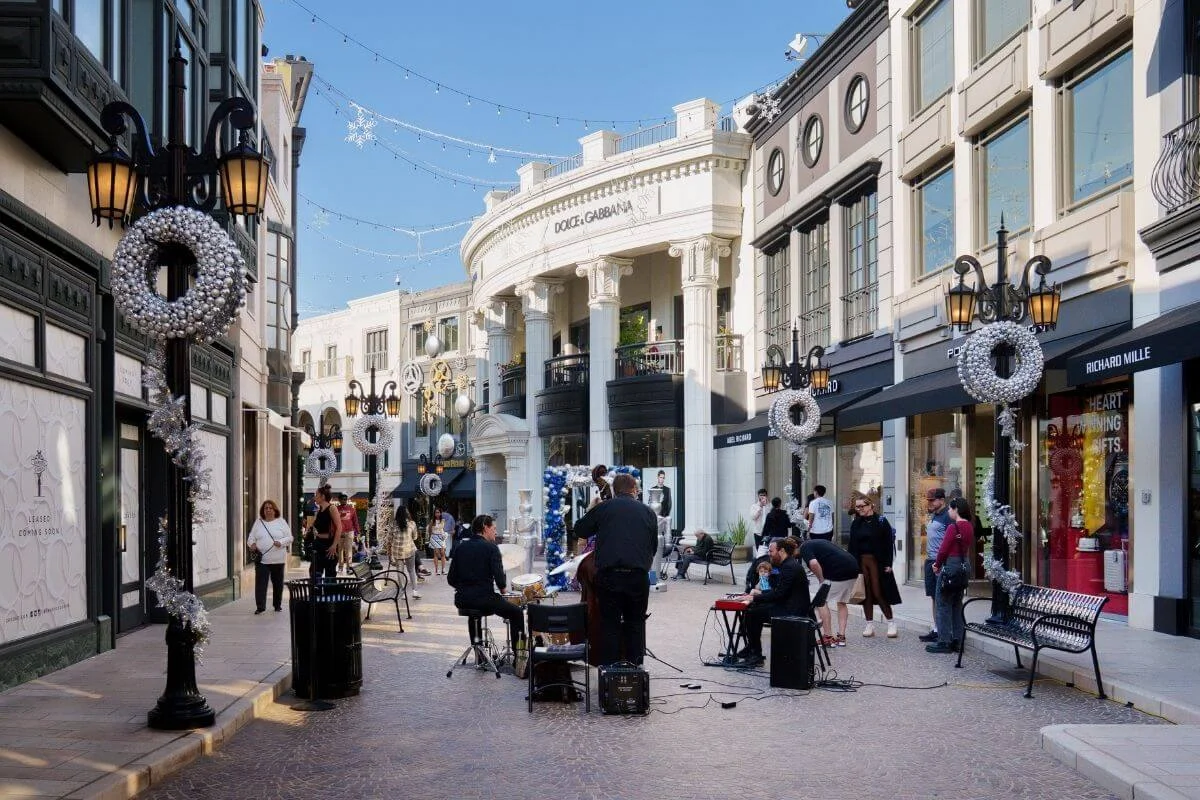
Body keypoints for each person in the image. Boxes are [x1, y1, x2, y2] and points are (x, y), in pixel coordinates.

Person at [573, 473, 657, 665]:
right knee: (635, 624)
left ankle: (609, 676)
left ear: (614, 490)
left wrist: (593, 510)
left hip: (609, 577)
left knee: (609, 625)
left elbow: (580, 530)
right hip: (637, 577)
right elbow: (652, 547)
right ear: (634, 489)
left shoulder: (604, 508)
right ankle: (635, 672)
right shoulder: (648, 512)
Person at [447, 515, 525, 652]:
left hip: (462, 600)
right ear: (485, 527)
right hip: (484, 599)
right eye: (494, 528)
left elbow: (451, 579)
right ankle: (519, 656)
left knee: (474, 615)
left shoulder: (460, 547)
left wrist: (465, 588)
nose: (496, 532)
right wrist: (503, 589)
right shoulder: (491, 548)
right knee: (516, 613)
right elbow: (500, 580)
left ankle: (479, 654)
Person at [734, 537, 812, 666]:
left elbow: (779, 594)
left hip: (791, 610)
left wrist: (754, 597)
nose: (769, 554)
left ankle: (755, 654)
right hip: (788, 605)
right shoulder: (787, 564)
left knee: (752, 614)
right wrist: (757, 594)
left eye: (771, 551)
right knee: (753, 609)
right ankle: (752, 648)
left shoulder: (789, 567)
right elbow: (777, 591)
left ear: (781, 551)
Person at [847, 495, 900, 638]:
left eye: (862, 506)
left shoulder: (881, 521)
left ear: (871, 505)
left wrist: (889, 563)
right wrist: (852, 565)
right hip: (861, 562)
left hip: (878, 562)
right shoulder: (856, 523)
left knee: (879, 591)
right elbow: (852, 545)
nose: (859, 509)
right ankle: (869, 624)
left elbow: (889, 544)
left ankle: (891, 622)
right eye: (857, 507)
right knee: (866, 593)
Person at [927, 497, 975, 654]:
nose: (948, 511)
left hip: (951, 566)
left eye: (950, 509)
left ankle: (944, 641)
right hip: (964, 565)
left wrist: (937, 565)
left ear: (956, 510)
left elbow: (943, 550)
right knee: (957, 603)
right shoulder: (969, 526)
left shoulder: (953, 528)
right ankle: (958, 640)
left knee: (942, 603)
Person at [798, 539, 860, 648]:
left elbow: (813, 563)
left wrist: (821, 579)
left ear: (795, 546)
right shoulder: (816, 542)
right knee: (842, 602)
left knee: (821, 602)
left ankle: (827, 637)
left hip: (838, 570)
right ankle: (841, 638)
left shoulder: (804, 547)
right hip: (853, 566)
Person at [247, 500, 293, 614]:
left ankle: (277, 605)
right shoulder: (258, 522)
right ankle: (260, 607)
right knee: (260, 585)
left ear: (275, 510)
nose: (267, 510)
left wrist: (281, 542)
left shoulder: (281, 522)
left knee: (278, 584)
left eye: (270, 508)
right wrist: (252, 544)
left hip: (278, 560)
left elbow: (290, 538)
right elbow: (251, 537)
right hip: (262, 560)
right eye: (265, 508)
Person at [919, 488, 950, 643]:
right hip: (930, 561)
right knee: (933, 596)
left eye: (932, 500)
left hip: (941, 562)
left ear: (941, 500)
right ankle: (937, 629)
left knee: (942, 597)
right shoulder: (934, 515)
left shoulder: (948, 516)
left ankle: (945, 631)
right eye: (928, 500)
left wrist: (943, 562)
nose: (929, 502)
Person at [380, 503, 420, 599]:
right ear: (407, 514)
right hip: (409, 550)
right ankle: (415, 591)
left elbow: (389, 539)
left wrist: (389, 553)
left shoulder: (393, 524)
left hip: (397, 552)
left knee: (400, 572)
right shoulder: (412, 523)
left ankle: (403, 593)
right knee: (411, 571)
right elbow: (415, 537)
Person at [309, 485, 342, 579]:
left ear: (322, 496)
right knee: (315, 573)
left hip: (329, 545)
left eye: (316, 495)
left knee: (330, 574)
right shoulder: (319, 510)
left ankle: (329, 593)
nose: (314, 497)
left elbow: (339, 527)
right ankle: (316, 593)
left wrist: (334, 545)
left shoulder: (332, 508)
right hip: (319, 544)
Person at [335, 493, 361, 574]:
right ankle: (340, 567)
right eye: (342, 499)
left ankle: (349, 568)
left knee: (349, 550)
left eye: (345, 499)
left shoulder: (352, 509)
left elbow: (355, 521)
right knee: (340, 550)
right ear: (339, 500)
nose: (344, 500)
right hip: (339, 532)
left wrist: (358, 532)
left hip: (350, 532)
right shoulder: (336, 509)